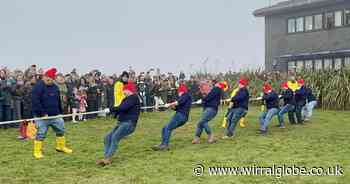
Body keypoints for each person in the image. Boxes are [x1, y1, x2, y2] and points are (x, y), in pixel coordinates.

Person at [32, 67, 73, 159]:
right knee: (41, 133)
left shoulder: (55, 87)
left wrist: (60, 112)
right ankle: (37, 151)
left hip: (55, 115)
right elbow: (35, 102)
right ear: (44, 77)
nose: (48, 80)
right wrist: (42, 113)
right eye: (47, 78)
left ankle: (61, 147)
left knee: (61, 130)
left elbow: (58, 100)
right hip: (42, 117)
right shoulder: (38, 87)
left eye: (50, 79)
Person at [97, 81, 140, 166]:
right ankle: (106, 157)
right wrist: (111, 112)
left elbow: (123, 107)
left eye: (124, 90)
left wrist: (110, 109)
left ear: (129, 90)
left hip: (129, 123)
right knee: (107, 138)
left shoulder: (133, 97)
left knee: (114, 137)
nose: (123, 92)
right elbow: (120, 109)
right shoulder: (126, 99)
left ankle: (107, 158)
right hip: (121, 123)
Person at [152, 84, 192, 151]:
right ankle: (162, 144)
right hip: (183, 117)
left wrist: (169, 104)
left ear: (181, 90)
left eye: (178, 91)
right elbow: (177, 107)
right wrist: (171, 106)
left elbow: (178, 102)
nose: (178, 93)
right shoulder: (184, 96)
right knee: (165, 128)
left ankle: (165, 145)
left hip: (180, 116)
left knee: (168, 128)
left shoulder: (186, 95)